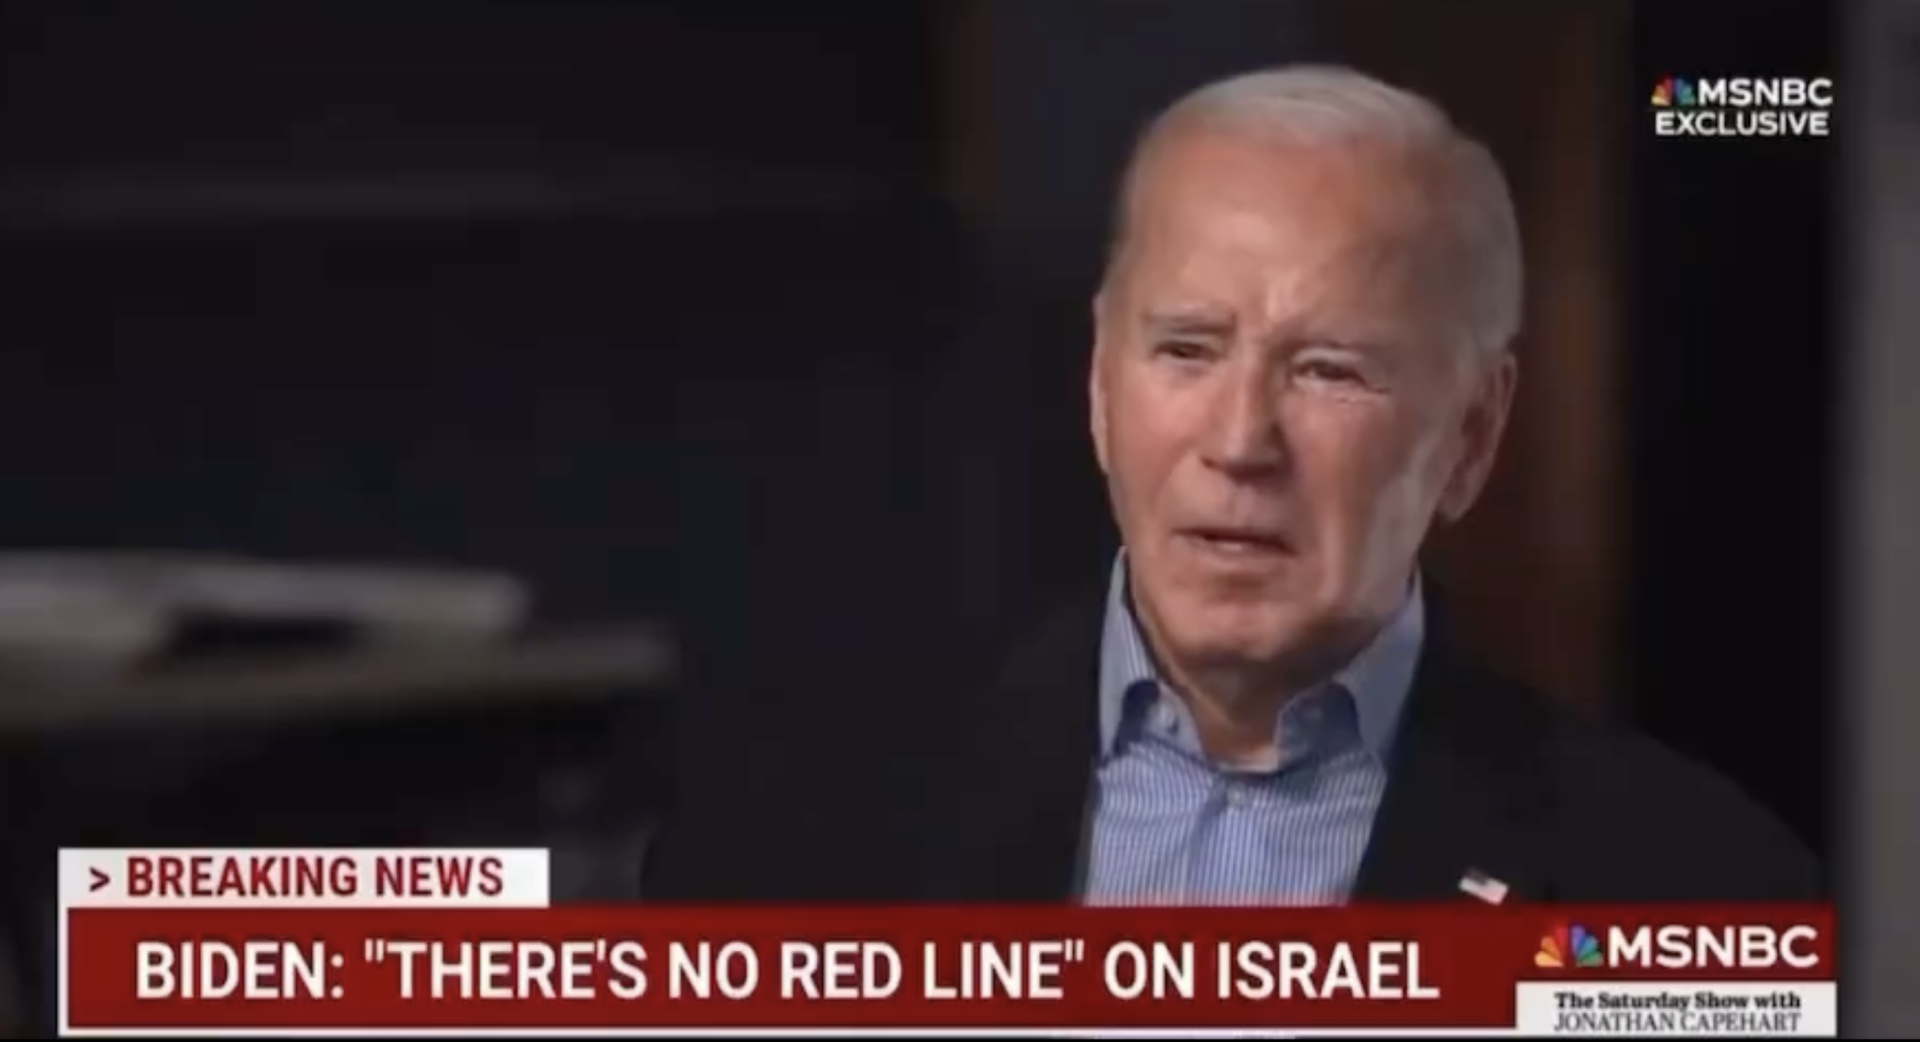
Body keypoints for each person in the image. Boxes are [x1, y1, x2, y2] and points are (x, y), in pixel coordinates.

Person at [645, 64, 1823, 905]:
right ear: (1100, 387)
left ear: (1470, 435)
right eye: (1187, 350)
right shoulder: (778, 852)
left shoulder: (1695, 889)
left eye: (1328, 368)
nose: (1241, 440)